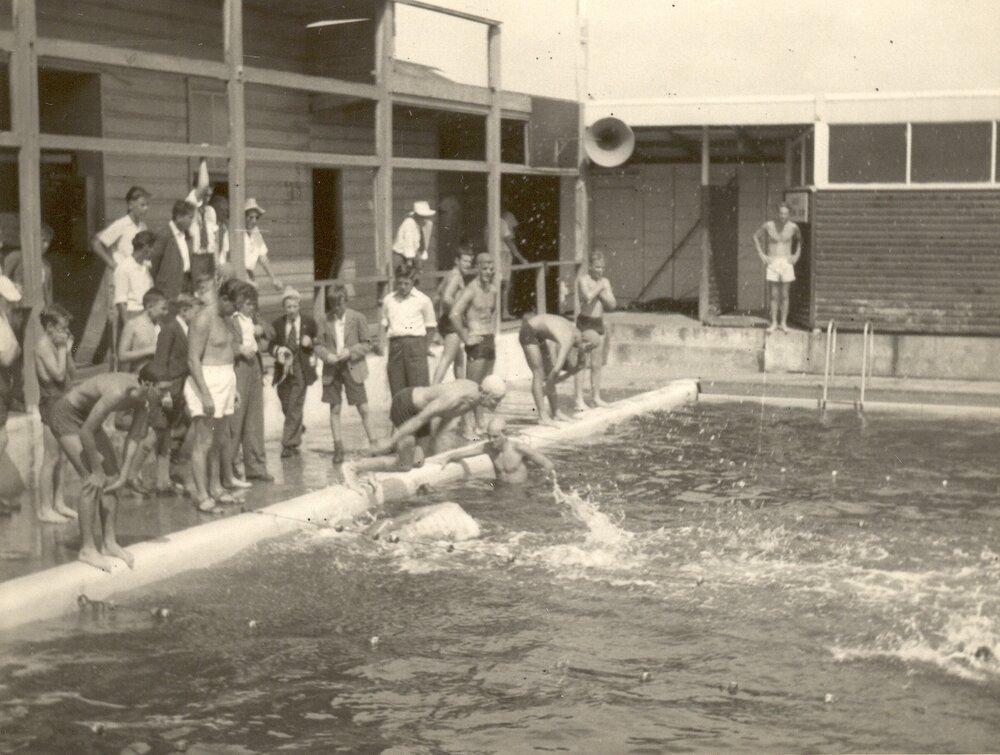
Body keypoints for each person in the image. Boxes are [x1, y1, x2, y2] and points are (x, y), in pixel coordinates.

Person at [49, 368, 161, 571]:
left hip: (87, 420)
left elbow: (135, 436)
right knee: (91, 478)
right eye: (165, 390)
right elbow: (85, 432)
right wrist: (97, 470)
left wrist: (124, 475)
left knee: (114, 476)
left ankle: (109, 543)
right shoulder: (118, 392)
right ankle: (87, 549)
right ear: (148, 385)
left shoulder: (146, 399)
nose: (168, 396)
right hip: (66, 414)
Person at [346, 376, 507, 492]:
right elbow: (420, 419)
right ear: (486, 394)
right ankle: (354, 467)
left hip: (419, 413)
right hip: (406, 407)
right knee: (405, 465)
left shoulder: (475, 395)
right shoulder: (455, 398)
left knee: (418, 462)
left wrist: (435, 438)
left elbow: (447, 415)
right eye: (496, 400)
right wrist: (391, 440)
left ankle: (373, 468)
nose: (497, 405)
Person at [186, 277, 247, 512]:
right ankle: (202, 496)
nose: (236, 310)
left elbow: (227, 355)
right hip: (206, 382)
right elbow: (193, 360)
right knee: (204, 442)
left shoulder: (228, 318)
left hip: (226, 381)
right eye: (234, 305)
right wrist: (205, 395)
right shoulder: (203, 319)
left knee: (219, 441)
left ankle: (217, 487)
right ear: (223, 298)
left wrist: (235, 389)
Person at [314, 284, 376, 464]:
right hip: (333, 369)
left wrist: (350, 352)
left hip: (352, 367)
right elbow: (318, 345)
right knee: (334, 408)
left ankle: (374, 443)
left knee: (363, 407)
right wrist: (327, 356)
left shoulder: (357, 318)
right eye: (333, 305)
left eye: (340, 305)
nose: (337, 309)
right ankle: (338, 447)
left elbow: (368, 343)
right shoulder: (325, 320)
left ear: (346, 301)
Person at [117, 288, 169, 493]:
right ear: (149, 307)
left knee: (145, 430)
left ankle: (132, 475)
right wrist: (149, 350)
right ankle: (129, 475)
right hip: (137, 381)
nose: (165, 312)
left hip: (155, 384)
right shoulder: (133, 324)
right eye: (162, 308)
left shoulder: (158, 326)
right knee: (137, 430)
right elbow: (121, 355)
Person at [150, 292, 202, 494]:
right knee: (161, 432)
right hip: (169, 387)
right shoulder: (170, 329)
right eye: (195, 312)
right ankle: (161, 480)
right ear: (184, 310)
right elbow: (160, 361)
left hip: (181, 386)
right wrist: (164, 392)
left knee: (176, 429)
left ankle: (169, 476)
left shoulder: (187, 328)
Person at [34, 304, 78, 522]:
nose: (65, 333)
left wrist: (67, 351)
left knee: (62, 457)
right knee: (51, 457)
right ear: (50, 327)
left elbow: (72, 372)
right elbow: (59, 376)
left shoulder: (57, 343)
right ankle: (44, 508)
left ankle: (58, 502)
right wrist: (62, 349)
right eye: (62, 328)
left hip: (63, 402)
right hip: (51, 403)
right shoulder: (43, 346)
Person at [519, 313, 600, 426]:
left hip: (539, 333)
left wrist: (575, 369)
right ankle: (543, 417)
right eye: (588, 349)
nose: (586, 353)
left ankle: (556, 412)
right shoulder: (569, 338)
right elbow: (556, 371)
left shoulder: (579, 336)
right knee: (539, 373)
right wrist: (548, 386)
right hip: (528, 331)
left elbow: (572, 367)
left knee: (549, 372)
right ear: (586, 342)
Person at [450, 252, 499, 433]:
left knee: (485, 388)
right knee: (471, 388)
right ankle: (466, 426)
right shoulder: (470, 290)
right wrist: (465, 337)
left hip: (488, 340)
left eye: (491, 269)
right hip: (476, 342)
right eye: (485, 268)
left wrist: (492, 333)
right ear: (477, 268)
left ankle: (479, 423)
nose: (489, 272)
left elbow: (493, 312)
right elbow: (454, 314)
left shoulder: (493, 290)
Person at [229, 283, 273, 481]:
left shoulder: (254, 318)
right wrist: (238, 349)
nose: (251, 307)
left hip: (255, 365)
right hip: (238, 367)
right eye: (247, 303)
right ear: (238, 303)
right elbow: (222, 343)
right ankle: (229, 468)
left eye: (253, 303)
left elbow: (272, 332)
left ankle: (255, 467)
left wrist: (261, 329)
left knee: (255, 419)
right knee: (235, 419)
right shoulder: (231, 320)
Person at [269, 286, 318, 458]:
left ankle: (288, 444)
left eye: (294, 306)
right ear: (284, 307)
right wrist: (278, 351)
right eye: (288, 307)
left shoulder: (309, 322)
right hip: (283, 368)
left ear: (299, 306)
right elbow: (270, 345)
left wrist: (310, 341)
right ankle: (298, 426)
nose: (291, 310)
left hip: (300, 365)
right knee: (286, 402)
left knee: (295, 403)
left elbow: (318, 340)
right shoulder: (278, 324)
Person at [441, 417, 556, 485]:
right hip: (500, 489)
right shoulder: (489, 448)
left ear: (505, 434)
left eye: (495, 437)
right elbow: (467, 453)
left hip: (519, 492)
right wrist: (448, 457)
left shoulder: (518, 448)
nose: (491, 440)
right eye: (489, 436)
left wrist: (538, 484)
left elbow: (548, 464)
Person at [381, 265, 436, 398]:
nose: (403, 287)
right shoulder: (389, 300)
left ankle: (422, 419)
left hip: (416, 346)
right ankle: (401, 418)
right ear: (395, 281)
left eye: (406, 283)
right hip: (396, 346)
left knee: (418, 390)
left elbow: (431, 327)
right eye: (400, 283)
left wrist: (423, 347)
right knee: (397, 387)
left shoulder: (423, 300)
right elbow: (385, 325)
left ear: (413, 282)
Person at [574, 252, 616, 410]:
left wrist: (602, 293)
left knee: (597, 363)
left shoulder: (605, 281)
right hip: (585, 323)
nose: (601, 270)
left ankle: (596, 397)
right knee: (582, 363)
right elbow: (588, 298)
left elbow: (612, 304)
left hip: (598, 323)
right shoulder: (583, 280)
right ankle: (578, 399)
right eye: (598, 267)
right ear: (590, 266)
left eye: (603, 267)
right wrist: (600, 288)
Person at [753, 202, 802, 333]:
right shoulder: (769, 225)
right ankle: (774, 323)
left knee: (785, 295)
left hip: (786, 262)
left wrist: (797, 254)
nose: (783, 216)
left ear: (789, 214)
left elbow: (800, 240)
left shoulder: (793, 227)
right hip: (773, 261)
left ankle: (783, 323)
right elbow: (755, 237)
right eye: (781, 213)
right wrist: (761, 254)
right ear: (777, 213)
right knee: (774, 295)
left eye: (785, 213)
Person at [432, 240, 475, 385]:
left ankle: (462, 388)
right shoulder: (456, 277)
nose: (468, 264)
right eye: (465, 261)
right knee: (447, 359)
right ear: (457, 261)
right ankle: (432, 390)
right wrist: (458, 310)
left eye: (470, 261)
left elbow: (436, 297)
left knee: (459, 358)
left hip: (445, 321)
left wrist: (437, 319)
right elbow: (446, 298)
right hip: (452, 323)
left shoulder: (450, 274)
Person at [223, 198, 283, 290]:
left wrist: (273, 278)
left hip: (249, 276)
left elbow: (263, 257)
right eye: (250, 217)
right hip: (233, 277)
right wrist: (247, 280)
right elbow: (231, 260)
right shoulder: (233, 233)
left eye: (256, 218)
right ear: (243, 218)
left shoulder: (255, 232)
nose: (254, 221)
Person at [0, 275, 22, 515]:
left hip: (3, 383)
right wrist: (14, 348)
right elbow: (7, 355)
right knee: (1, 439)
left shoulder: (4, 317)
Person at [91, 186, 150, 270]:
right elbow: (96, 244)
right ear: (130, 205)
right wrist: (113, 265)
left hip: (137, 273)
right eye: (142, 205)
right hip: (123, 275)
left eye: (148, 205)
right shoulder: (121, 224)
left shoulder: (143, 226)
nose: (146, 208)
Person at [150, 200, 195, 302]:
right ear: (179, 217)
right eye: (190, 217)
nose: (192, 221)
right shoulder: (164, 235)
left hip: (185, 282)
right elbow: (154, 263)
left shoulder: (186, 235)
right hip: (168, 287)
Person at [487, 210, 528, 320]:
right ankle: (498, 312)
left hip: (500, 255)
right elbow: (509, 242)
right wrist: (521, 258)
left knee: (504, 285)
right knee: (501, 284)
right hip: (501, 256)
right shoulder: (501, 222)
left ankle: (502, 312)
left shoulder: (492, 223)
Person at [113, 230, 156, 325]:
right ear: (146, 247)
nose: (154, 251)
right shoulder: (124, 268)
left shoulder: (145, 268)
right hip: (132, 316)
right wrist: (128, 328)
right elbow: (121, 302)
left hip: (147, 316)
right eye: (152, 247)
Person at [392, 201, 435, 270]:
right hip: (401, 256)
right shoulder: (409, 223)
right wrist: (410, 260)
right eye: (422, 217)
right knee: (403, 276)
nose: (425, 220)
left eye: (426, 217)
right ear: (416, 216)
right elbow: (409, 242)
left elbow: (419, 243)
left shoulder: (419, 226)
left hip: (412, 255)